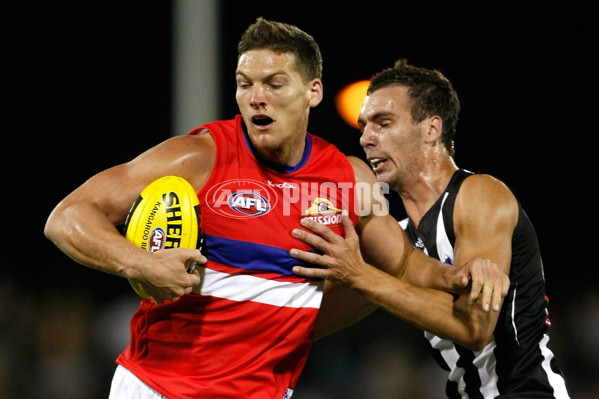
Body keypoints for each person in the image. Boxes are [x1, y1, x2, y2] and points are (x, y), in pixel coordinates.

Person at [44, 19, 507, 399]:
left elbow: (401, 263)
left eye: (274, 83)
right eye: (245, 84)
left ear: (313, 92)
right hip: (160, 388)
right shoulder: (199, 157)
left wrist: (458, 275)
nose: (256, 97)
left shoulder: (349, 179)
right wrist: (140, 261)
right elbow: (67, 216)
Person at [290, 59, 571, 397]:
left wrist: (360, 275)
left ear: (431, 129)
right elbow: (306, 324)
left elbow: (475, 327)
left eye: (384, 123)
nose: (366, 138)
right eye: (364, 126)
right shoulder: (398, 240)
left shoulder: (479, 194)